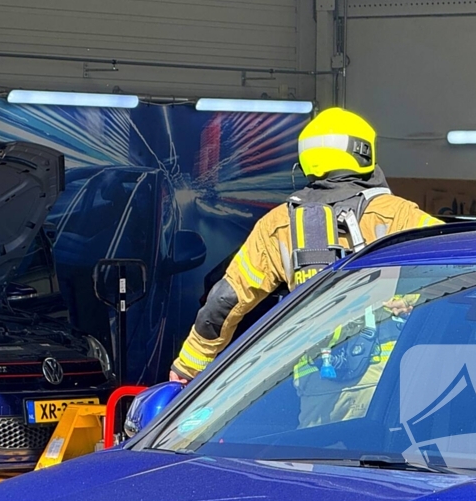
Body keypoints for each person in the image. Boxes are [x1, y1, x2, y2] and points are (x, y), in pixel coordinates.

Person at [169, 107, 442, 384]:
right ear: (365, 153)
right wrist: (409, 299)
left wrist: (187, 368)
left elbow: (225, 301)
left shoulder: (279, 224)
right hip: (392, 380)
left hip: (315, 379)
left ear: (306, 160)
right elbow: (462, 270)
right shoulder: (402, 215)